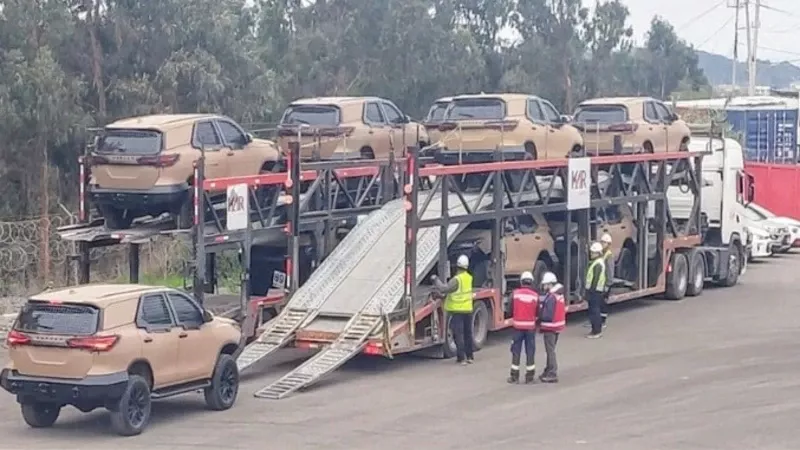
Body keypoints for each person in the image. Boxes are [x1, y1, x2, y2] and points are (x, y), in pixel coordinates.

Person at [432, 254, 474, 365]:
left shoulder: (456, 280)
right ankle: (470, 356)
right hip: (468, 309)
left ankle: (461, 358)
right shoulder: (468, 277)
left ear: (457, 266)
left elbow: (444, 289)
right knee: (468, 333)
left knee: (458, 334)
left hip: (457, 311)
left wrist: (435, 279)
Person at [508, 271, 538, 384]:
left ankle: (514, 376)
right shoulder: (535, 296)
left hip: (517, 328)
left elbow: (510, 309)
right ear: (531, 282)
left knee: (516, 351)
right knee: (530, 351)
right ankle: (529, 377)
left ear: (521, 281)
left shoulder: (515, 294)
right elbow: (538, 312)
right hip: (530, 328)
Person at [538, 272, 566, 383]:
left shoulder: (551, 297)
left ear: (549, 284)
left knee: (550, 351)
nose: (544, 287)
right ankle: (548, 369)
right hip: (557, 326)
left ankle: (552, 372)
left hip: (550, 327)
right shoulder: (559, 294)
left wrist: (539, 315)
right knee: (551, 350)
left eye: (545, 285)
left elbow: (547, 315)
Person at [585, 241, 606, 338]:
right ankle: (595, 330)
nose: (591, 254)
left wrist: (591, 291)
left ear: (598, 253)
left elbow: (595, 279)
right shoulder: (597, 263)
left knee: (595, 311)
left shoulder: (598, 264)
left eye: (593, 252)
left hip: (595, 291)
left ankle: (596, 331)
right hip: (596, 290)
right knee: (594, 310)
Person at [600, 233, 614, 328]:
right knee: (599, 302)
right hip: (601, 283)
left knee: (603, 302)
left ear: (608, 244)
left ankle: (603, 321)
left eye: (604, 243)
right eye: (602, 242)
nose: (602, 244)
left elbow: (610, 270)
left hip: (606, 283)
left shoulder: (609, 256)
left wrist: (608, 284)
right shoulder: (602, 254)